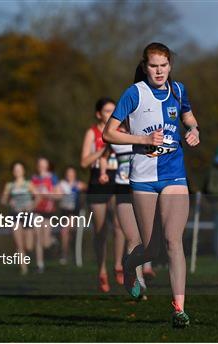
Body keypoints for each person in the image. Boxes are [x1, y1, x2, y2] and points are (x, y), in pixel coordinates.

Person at [103, 42, 200, 328]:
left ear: (170, 66)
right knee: (151, 248)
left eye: (164, 65)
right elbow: (109, 133)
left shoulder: (179, 90)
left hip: (174, 176)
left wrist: (194, 131)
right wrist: (143, 140)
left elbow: (189, 119)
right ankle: (131, 266)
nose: (159, 71)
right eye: (153, 66)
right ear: (145, 67)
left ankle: (179, 307)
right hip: (143, 179)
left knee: (173, 240)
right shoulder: (134, 94)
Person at [100, 122, 155, 296]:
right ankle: (137, 282)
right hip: (123, 191)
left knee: (147, 237)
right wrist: (103, 172)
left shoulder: (147, 135)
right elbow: (104, 155)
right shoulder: (116, 138)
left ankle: (142, 270)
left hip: (143, 189)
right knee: (132, 237)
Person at [80, 98, 126, 292]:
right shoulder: (92, 133)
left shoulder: (121, 130)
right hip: (98, 181)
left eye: (113, 111)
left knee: (120, 224)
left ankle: (118, 265)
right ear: (99, 114)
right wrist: (102, 151)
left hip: (118, 179)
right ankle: (101, 270)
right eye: (107, 111)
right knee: (100, 231)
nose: (111, 114)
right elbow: (83, 162)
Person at [1, 161, 37, 275]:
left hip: (27, 215)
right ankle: (23, 269)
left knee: (29, 246)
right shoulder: (9, 186)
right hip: (15, 215)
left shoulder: (29, 184)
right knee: (19, 244)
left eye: (19, 169)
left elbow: (38, 197)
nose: (17, 171)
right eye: (15, 169)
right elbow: (3, 200)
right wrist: (8, 202)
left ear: (23, 171)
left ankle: (26, 259)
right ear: (13, 172)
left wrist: (32, 205)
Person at [31, 157, 59, 273]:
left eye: (44, 164)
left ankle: (53, 241)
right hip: (37, 210)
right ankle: (40, 264)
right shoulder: (34, 179)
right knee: (37, 237)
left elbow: (58, 195)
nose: (42, 166)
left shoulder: (53, 178)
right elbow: (32, 194)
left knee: (45, 242)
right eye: (40, 164)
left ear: (47, 166)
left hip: (48, 211)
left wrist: (47, 195)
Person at [56, 166, 87, 265]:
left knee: (71, 233)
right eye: (68, 173)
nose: (70, 175)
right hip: (65, 211)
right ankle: (64, 254)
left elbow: (87, 190)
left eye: (72, 173)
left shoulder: (78, 184)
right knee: (64, 232)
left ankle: (70, 254)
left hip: (75, 212)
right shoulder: (62, 184)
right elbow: (56, 194)